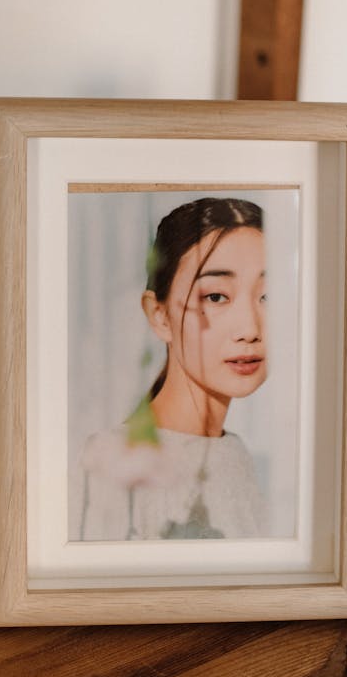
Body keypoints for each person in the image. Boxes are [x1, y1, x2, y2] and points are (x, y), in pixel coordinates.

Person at [81, 196, 268, 541]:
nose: (251, 329)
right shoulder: (115, 469)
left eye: (267, 297)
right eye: (216, 297)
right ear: (160, 315)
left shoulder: (235, 456)